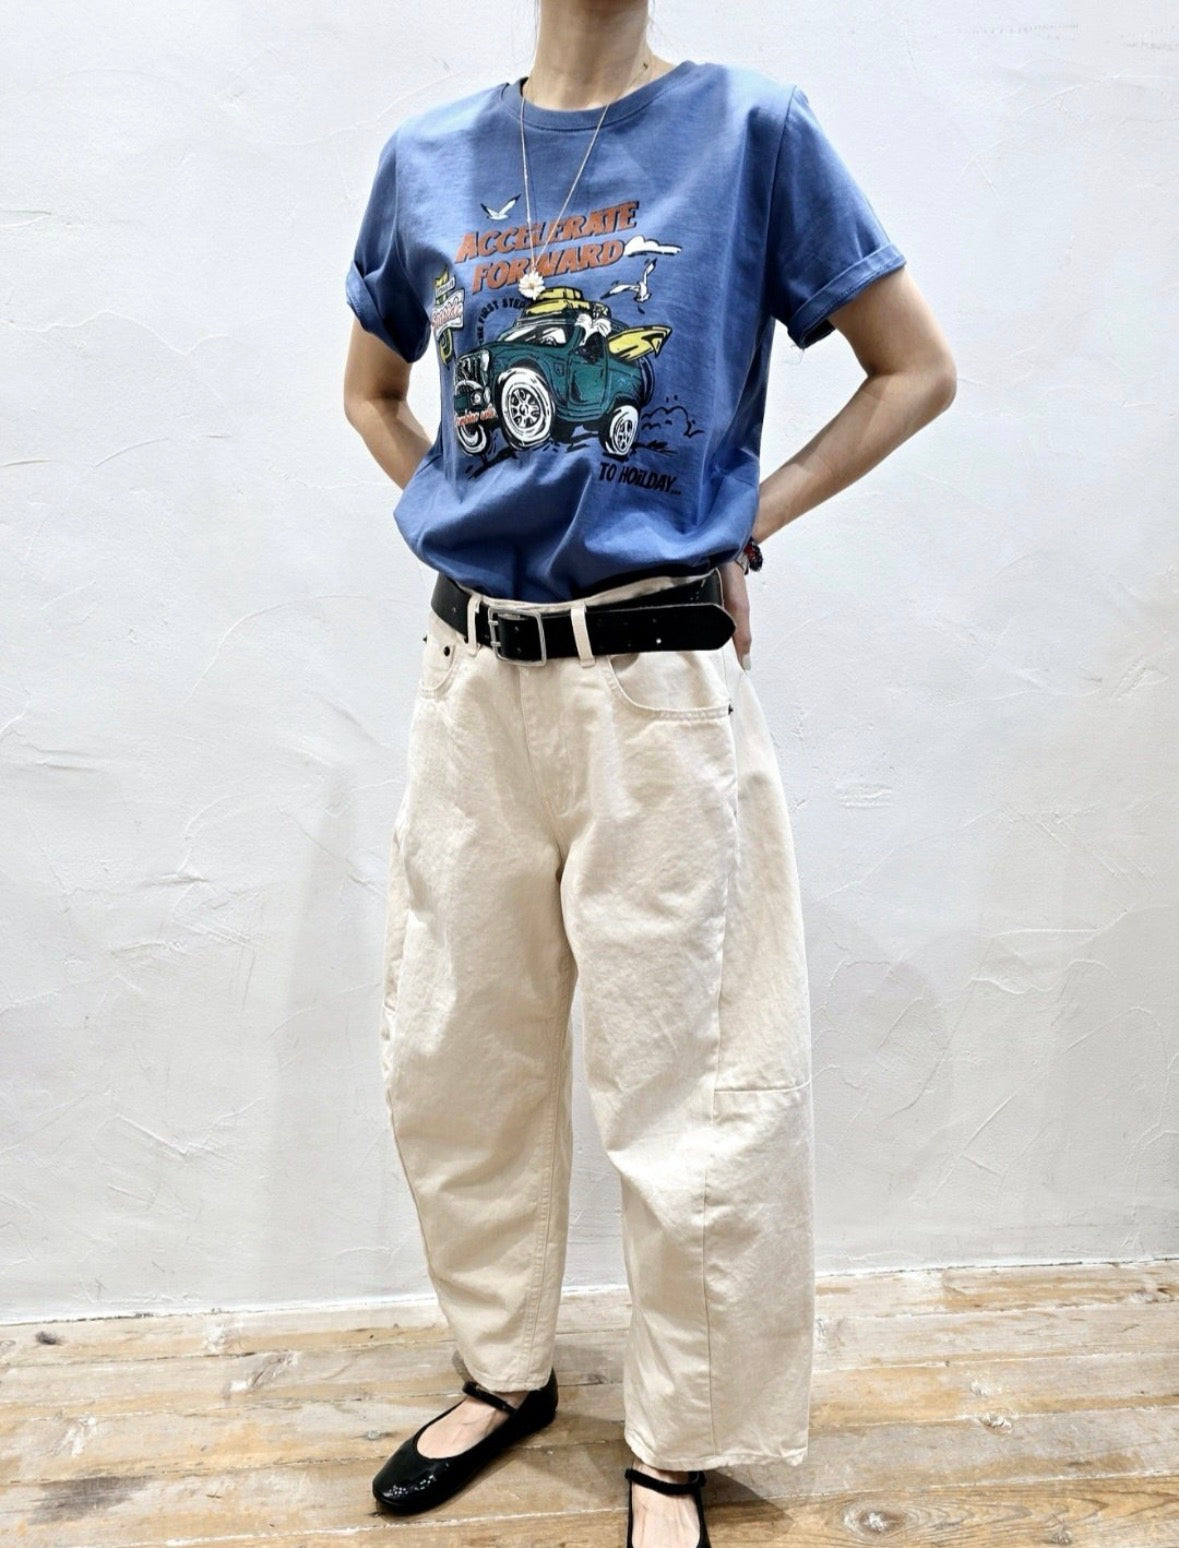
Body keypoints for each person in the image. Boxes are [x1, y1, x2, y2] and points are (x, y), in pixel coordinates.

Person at [342, 4, 956, 1544]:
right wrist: (462, 519)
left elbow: (913, 370)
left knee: (696, 1084)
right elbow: (371, 390)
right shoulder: (428, 156)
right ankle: (503, 1370)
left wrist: (746, 523)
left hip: (656, 690)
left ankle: (681, 1436)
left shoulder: (752, 129)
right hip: (471, 686)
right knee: (454, 1052)